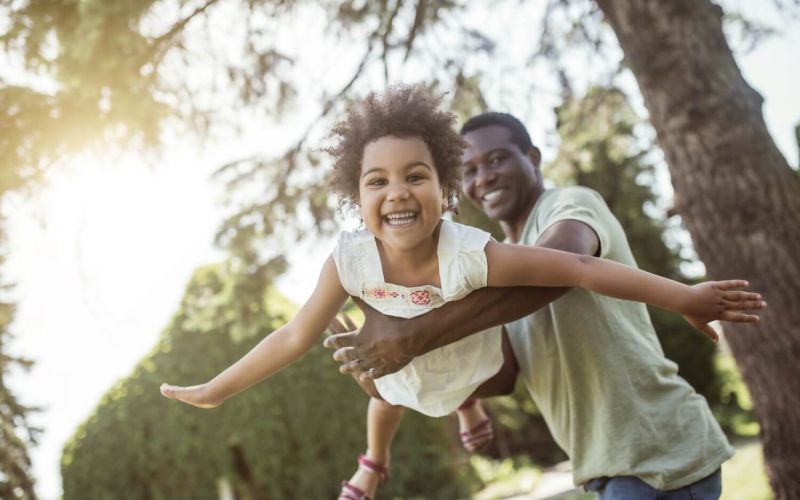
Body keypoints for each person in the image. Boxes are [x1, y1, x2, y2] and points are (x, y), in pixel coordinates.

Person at [161, 89, 764, 500]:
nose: (397, 191)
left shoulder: (539, 221)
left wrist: (682, 295)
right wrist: (220, 388)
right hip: (605, 463)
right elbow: (488, 366)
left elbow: (572, 265)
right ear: (357, 196)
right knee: (381, 372)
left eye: (417, 176)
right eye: (378, 180)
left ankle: (372, 461)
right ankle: (372, 464)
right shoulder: (366, 262)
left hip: (657, 450)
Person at [324, 111, 767, 499]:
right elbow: (502, 374)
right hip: (614, 467)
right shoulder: (493, 270)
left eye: (496, 159)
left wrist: (414, 337)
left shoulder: (567, 204)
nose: (485, 177)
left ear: (532, 159)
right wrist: (394, 379)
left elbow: (563, 265)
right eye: (470, 170)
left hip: (657, 452)